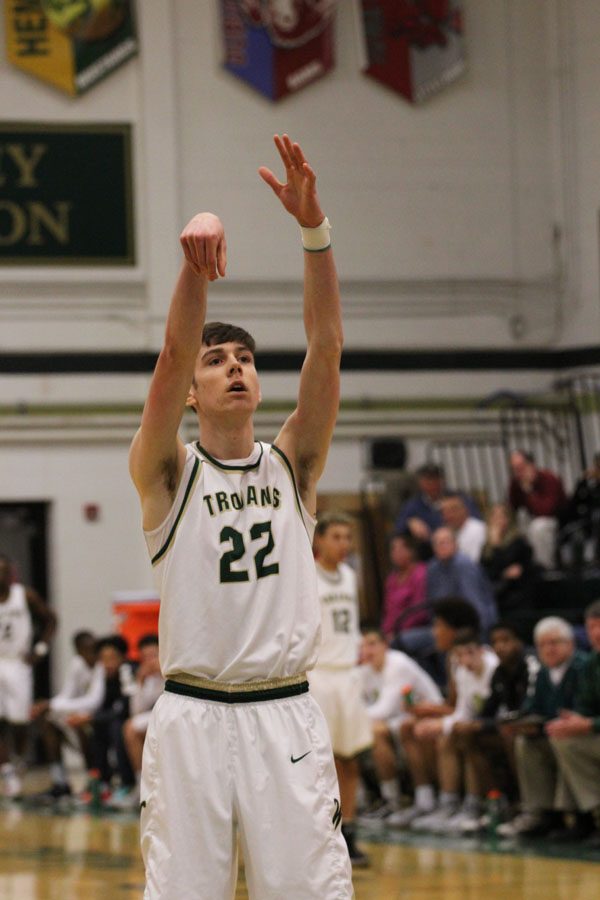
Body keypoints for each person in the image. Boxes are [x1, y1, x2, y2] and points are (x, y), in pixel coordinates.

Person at [128, 134, 353, 898]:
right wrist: (196, 267)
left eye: (248, 360)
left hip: (283, 715)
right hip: (192, 717)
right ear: (193, 392)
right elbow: (168, 354)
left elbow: (325, 346)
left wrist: (313, 229)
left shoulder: (294, 465)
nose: (236, 368)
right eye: (218, 359)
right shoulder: (168, 472)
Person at [310, 511, 372, 866]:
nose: (343, 544)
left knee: (350, 759)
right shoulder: (307, 574)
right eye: (336, 536)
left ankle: (350, 830)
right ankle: (322, 833)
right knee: (323, 760)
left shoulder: (349, 576)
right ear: (319, 540)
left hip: (347, 674)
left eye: (347, 537)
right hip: (319, 674)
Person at [497, 617, 587, 838]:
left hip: (578, 734)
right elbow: (531, 707)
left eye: (554, 643)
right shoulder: (543, 673)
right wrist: (519, 723)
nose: (548, 649)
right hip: (549, 732)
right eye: (543, 645)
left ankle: (580, 817)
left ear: (570, 644)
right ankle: (543, 812)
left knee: (563, 741)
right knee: (524, 742)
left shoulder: (582, 667)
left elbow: (583, 709)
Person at [359, 628, 442, 819]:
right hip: (398, 719)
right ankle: (375, 800)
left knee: (378, 731)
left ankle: (410, 799)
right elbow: (356, 705)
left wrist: (355, 718)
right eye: (362, 646)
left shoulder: (398, 664)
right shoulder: (364, 670)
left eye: (372, 644)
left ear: (385, 644)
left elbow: (385, 709)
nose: (367, 650)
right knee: (363, 731)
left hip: (427, 715)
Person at [0, 554, 57, 799]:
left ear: (9, 573)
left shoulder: (24, 595)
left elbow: (51, 619)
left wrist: (40, 650)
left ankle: (18, 759)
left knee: (20, 720)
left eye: (2, 570)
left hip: (18, 663)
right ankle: (7, 770)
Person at [546, 600, 600, 846]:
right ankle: (580, 817)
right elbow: (585, 706)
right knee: (562, 736)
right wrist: (574, 720)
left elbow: (589, 721)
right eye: (591, 627)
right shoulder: (591, 664)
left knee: (571, 740)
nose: (596, 633)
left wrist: (588, 724)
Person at [30, 629, 104, 802]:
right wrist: (48, 707)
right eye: (88, 649)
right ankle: (60, 782)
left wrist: (50, 704)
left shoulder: (101, 666)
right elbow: (66, 695)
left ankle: (93, 781)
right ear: (78, 651)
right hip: (83, 714)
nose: (93, 653)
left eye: (95, 649)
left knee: (78, 725)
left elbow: (94, 702)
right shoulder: (78, 663)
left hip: (100, 716)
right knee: (48, 722)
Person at [66, 635, 136, 801]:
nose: (108, 664)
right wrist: (87, 717)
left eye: (112, 658)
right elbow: (100, 705)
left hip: (131, 719)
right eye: (103, 659)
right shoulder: (103, 676)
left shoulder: (128, 672)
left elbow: (123, 709)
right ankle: (101, 782)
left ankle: (128, 783)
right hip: (111, 719)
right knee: (97, 730)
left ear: (123, 657)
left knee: (117, 728)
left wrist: (91, 717)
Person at [110, 633, 163, 811]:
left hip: (173, 716)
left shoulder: (172, 672)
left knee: (130, 728)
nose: (149, 661)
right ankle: (141, 783)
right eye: (145, 657)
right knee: (129, 727)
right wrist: (140, 683)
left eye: (153, 655)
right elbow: (136, 712)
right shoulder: (147, 677)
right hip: (154, 717)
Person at [394, 463, 480, 558]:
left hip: (457, 546)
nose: (432, 483)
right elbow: (398, 527)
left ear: (442, 480)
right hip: (427, 552)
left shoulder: (456, 497)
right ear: (420, 482)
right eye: (428, 480)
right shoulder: (414, 504)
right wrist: (409, 523)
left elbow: (475, 519)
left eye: (436, 479)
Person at [480, 503, 539, 625]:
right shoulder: (486, 547)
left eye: (502, 517)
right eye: (494, 517)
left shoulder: (519, 542)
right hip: (496, 597)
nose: (498, 521)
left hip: (517, 597)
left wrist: (496, 546)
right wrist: (502, 573)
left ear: (509, 520)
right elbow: (487, 572)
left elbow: (510, 568)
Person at [508, 449, 567, 569]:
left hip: (555, 520)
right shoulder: (516, 483)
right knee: (519, 522)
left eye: (520, 468)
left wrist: (529, 491)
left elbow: (545, 511)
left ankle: (544, 569)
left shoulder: (549, 479)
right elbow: (512, 508)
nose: (518, 473)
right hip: (531, 520)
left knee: (539, 527)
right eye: (514, 469)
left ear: (531, 465)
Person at [380, 533, 428, 644]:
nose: (397, 553)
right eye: (393, 550)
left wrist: (396, 632)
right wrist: (384, 633)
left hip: (415, 630)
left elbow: (419, 612)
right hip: (391, 632)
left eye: (402, 549)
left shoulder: (420, 574)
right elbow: (388, 611)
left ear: (411, 551)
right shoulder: (391, 579)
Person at [440, 493, 486, 563]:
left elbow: (474, 562)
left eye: (452, 510)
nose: (447, 516)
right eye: (444, 512)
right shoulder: (448, 530)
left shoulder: (477, 529)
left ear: (464, 510)